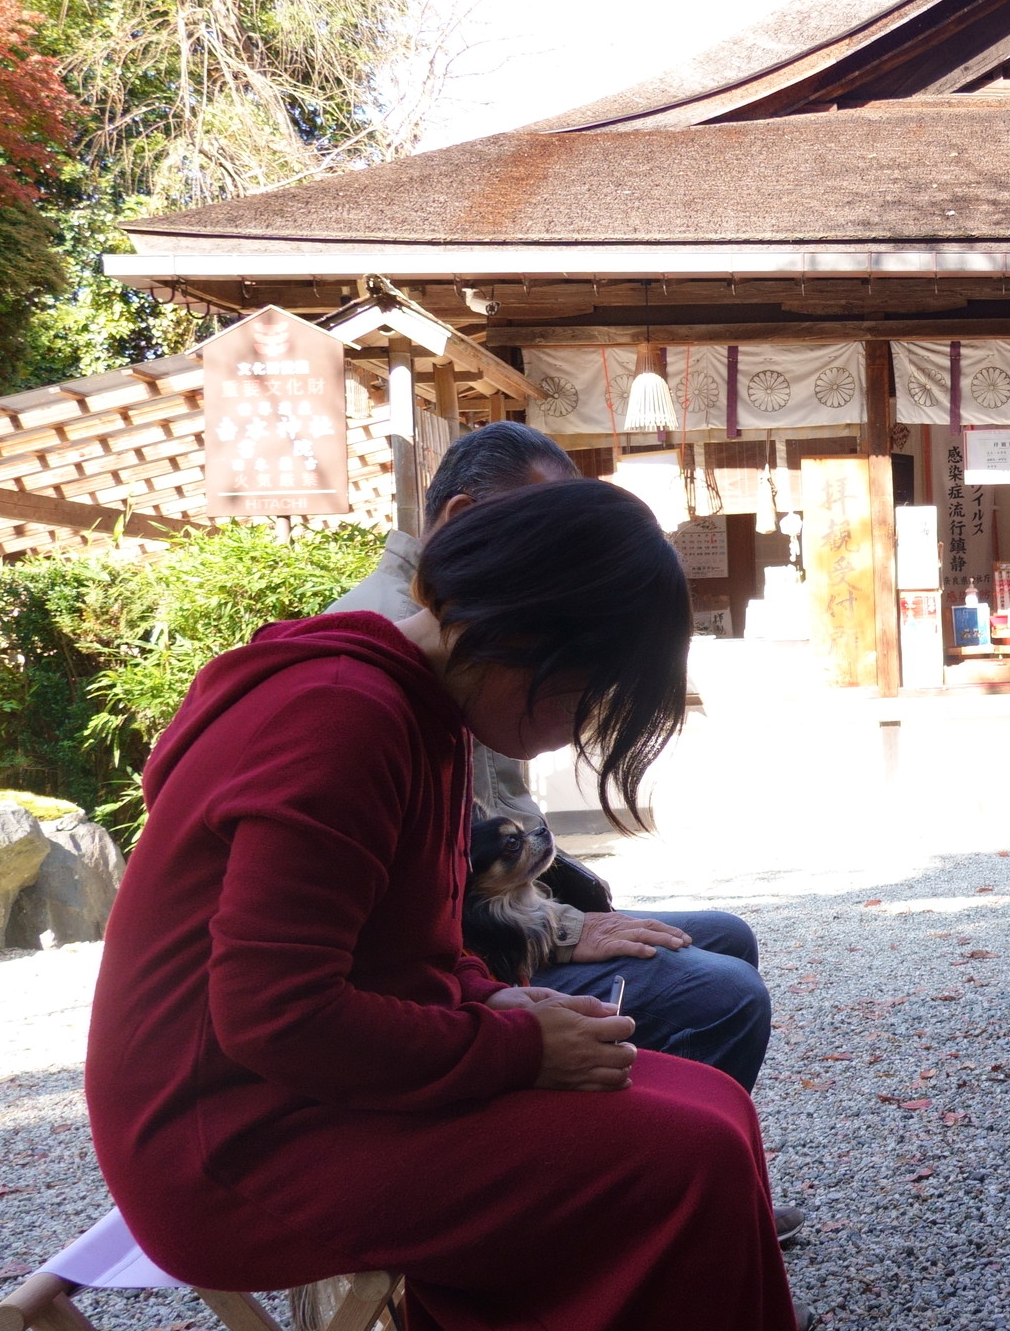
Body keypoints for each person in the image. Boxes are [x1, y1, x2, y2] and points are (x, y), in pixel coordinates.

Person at [89, 480, 831, 1331]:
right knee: (670, 1165)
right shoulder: (341, 715)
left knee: (705, 1113)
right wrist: (507, 1045)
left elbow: (409, 953)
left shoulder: (405, 703)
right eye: (590, 693)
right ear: (526, 635)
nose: (581, 726)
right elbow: (275, 1015)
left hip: (298, 1101)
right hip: (227, 1146)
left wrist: (507, 1005)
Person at [330, 423, 782, 1125]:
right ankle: (643, 1176)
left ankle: (681, 1165)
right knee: (717, 994)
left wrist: (501, 988)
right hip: (285, 1121)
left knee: (720, 939)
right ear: (465, 522)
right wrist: (546, 967)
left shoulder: (455, 652)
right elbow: (290, 1000)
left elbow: (430, 914)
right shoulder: (380, 684)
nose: (577, 725)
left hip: (469, 954)